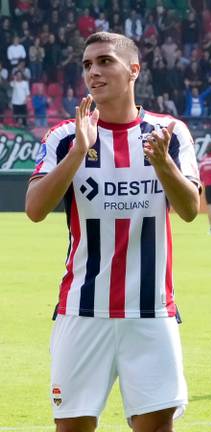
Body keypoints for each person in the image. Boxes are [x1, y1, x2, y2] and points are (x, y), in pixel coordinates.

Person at [25, 31, 200, 432]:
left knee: (156, 427)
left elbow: (190, 210)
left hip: (150, 311)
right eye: (87, 65)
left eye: (105, 61)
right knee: (72, 428)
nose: (94, 72)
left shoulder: (168, 133)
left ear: (133, 69)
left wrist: (162, 164)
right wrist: (77, 151)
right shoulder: (65, 136)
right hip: (82, 310)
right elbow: (35, 209)